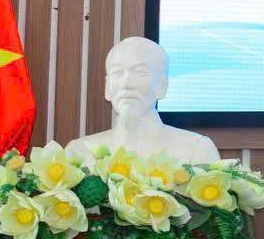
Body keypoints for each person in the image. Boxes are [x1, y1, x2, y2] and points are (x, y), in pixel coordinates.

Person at [67, 37, 219, 165]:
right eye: (118, 73)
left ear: (162, 85)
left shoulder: (195, 150)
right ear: (107, 87)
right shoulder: (79, 151)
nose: (126, 84)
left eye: (140, 72)